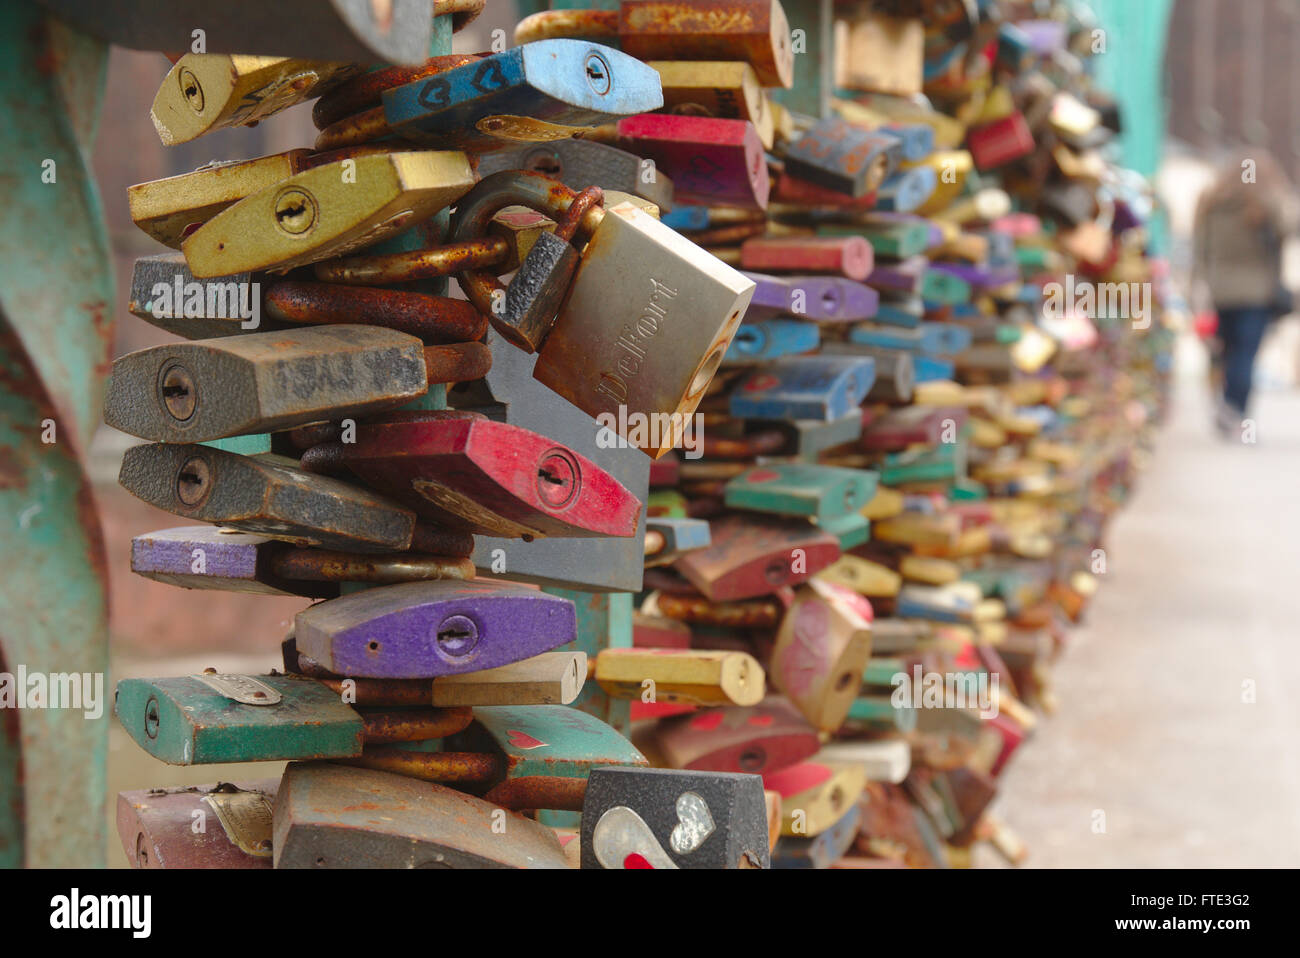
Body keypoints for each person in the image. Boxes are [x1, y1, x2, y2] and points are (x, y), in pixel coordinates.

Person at [1193, 151, 1298, 435]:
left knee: (1226, 352)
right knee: (1245, 354)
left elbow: (1200, 249)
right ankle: (1234, 409)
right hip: (1255, 293)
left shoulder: (1212, 202)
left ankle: (1225, 404)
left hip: (1220, 291)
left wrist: (1200, 286)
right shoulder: (1264, 205)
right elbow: (1290, 227)